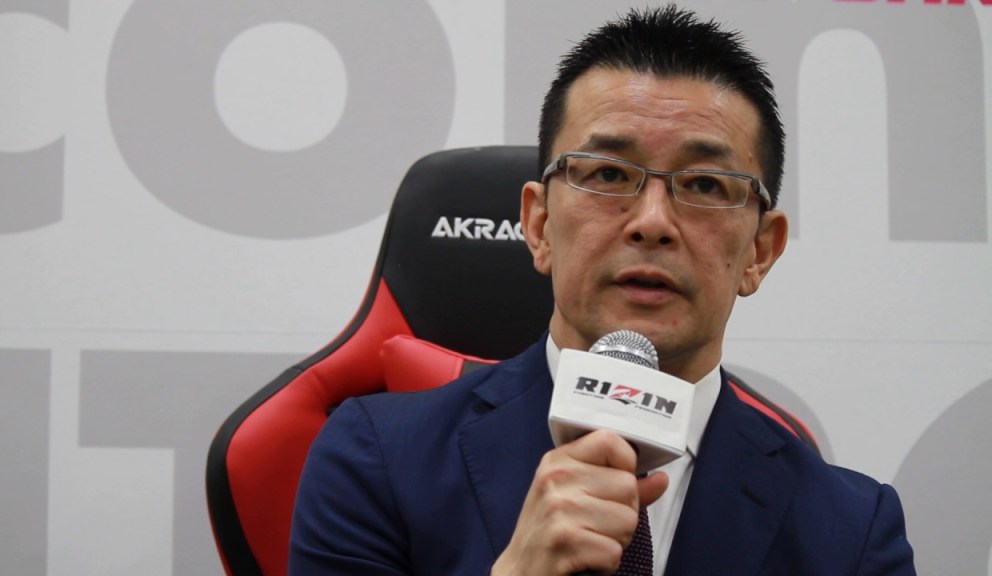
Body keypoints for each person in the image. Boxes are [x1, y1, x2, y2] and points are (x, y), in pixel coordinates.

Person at [288, 5, 916, 575]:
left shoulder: (854, 532)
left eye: (704, 185)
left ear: (760, 250)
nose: (652, 222)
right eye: (610, 173)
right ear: (538, 225)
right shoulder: (375, 458)